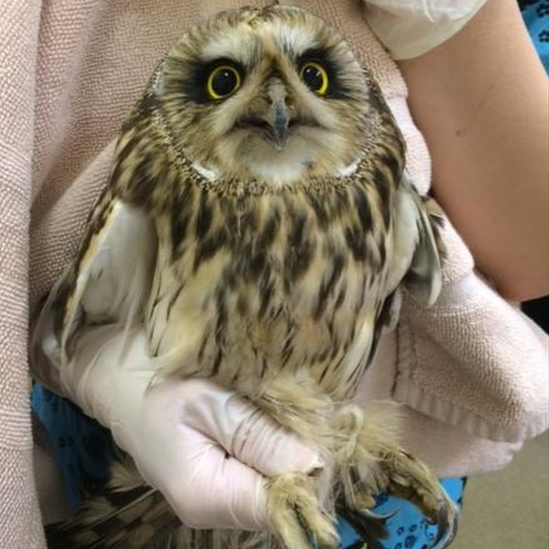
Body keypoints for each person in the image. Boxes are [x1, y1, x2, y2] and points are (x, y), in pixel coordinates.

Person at [0, 1, 547, 548]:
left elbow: (531, 249)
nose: (278, 104)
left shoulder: (384, 189)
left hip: (376, 460)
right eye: (222, 83)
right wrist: (102, 368)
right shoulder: (149, 194)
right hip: (121, 451)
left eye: (313, 78)